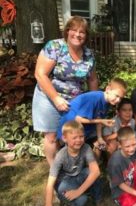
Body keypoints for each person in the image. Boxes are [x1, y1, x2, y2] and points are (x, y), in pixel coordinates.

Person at [32, 16, 99, 166]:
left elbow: (92, 79)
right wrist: (56, 98)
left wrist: (93, 102)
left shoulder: (88, 55)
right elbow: (40, 74)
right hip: (49, 97)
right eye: (74, 30)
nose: (77, 34)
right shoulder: (55, 47)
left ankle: (70, 167)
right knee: (51, 137)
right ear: (67, 31)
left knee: (71, 134)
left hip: (75, 100)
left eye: (82, 32)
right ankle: (55, 172)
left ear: (86, 36)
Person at [42, 121, 106, 206]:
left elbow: (95, 171)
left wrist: (78, 191)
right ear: (64, 138)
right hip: (65, 181)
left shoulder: (86, 148)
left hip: (79, 175)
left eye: (81, 136)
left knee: (92, 172)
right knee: (81, 201)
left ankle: (98, 199)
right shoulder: (61, 155)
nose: (79, 140)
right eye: (74, 138)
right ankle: (63, 196)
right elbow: (50, 183)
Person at [56, 78, 127, 159]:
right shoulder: (94, 98)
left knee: (99, 144)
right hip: (70, 129)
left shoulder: (108, 102)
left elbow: (99, 118)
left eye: (121, 98)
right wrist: (101, 121)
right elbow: (78, 119)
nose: (118, 100)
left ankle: (94, 165)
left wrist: (100, 137)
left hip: (85, 129)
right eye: (117, 96)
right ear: (108, 89)